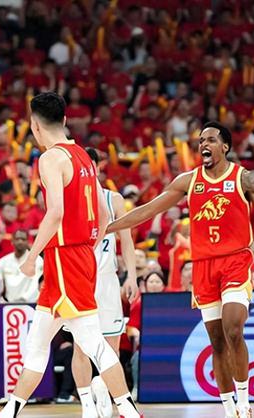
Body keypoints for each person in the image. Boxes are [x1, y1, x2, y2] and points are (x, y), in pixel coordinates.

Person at [108, 121, 254, 418]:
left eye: (211, 139)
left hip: (235, 261)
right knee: (217, 341)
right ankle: (229, 409)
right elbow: (149, 210)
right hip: (203, 266)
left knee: (233, 329)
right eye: (201, 140)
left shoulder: (244, 178)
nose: (204, 144)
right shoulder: (188, 181)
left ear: (224, 146)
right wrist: (108, 228)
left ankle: (244, 402)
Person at [0, 93, 140, 418]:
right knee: (37, 344)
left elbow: (56, 213)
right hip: (81, 257)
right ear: (63, 120)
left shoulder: (50, 158)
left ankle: (129, 411)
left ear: (34, 126)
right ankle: (9, 412)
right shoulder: (83, 156)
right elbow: (103, 213)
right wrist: (90, 244)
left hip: (64, 259)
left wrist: (31, 256)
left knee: (93, 342)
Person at [71, 148, 139, 418]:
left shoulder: (114, 200)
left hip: (107, 282)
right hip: (79, 281)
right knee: (80, 347)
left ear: (97, 168)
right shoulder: (68, 199)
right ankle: (87, 404)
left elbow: (127, 241)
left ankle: (104, 387)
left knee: (111, 349)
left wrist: (131, 275)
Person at [0, 230, 43, 303]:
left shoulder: (37, 260)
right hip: (9, 304)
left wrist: (24, 300)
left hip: (31, 303)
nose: (20, 242)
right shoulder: (2, 262)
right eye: (17, 239)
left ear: (28, 242)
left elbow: (37, 284)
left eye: (23, 239)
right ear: (12, 241)